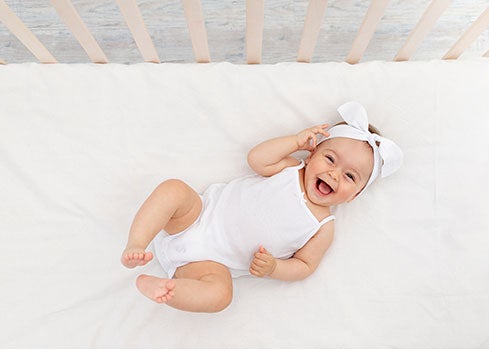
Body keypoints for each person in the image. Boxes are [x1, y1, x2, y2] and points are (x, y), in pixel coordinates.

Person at [120, 101, 403, 313]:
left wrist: (275, 268)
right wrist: (294, 141)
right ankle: (137, 243)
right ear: (312, 152)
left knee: (221, 296)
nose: (334, 174)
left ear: (354, 196)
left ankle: (168, 289)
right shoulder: (292, 168)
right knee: (174, 189)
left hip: (211, 264)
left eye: (350, 177)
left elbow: (304, 266)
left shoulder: (322, 228)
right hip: (196, 217)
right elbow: (257, 158)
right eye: (330, 159)